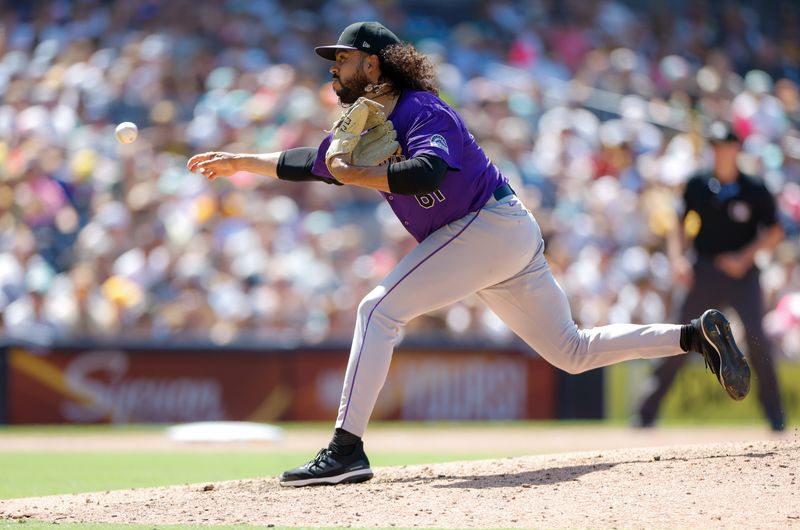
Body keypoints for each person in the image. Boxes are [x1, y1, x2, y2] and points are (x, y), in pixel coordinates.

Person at [187, 21, 751, 487]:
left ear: (376, 64)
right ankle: (692, 334)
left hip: (485, 226)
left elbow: (428, 170)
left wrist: (359, 174)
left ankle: (346, 448)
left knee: (376, 311)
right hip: (499, 238)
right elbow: (312, 161)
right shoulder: (373, 122)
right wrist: (243, 160)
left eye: (345, 58)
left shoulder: (421, 110)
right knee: (572, 351)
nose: (334, 68)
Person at [636, 122, 786, 432]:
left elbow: (775, 232)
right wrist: (678, 258)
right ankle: (646, 413)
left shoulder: (755, 187)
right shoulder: (697, 184)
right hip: (703, 271)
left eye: (726, 145)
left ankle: (775, 416)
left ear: (736, 148)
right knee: (680, 337)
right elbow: (678, 222)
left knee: (758, 338)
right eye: (715, 146)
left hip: (742, 275)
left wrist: (743, 258)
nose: (720, 152)